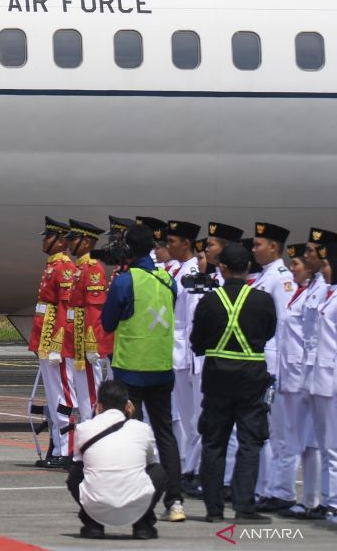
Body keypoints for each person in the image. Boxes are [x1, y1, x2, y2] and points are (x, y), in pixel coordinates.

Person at [100, 223, 185, 521]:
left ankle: (135, 500)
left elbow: (108, 323)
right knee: (165, 434)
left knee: (130, 436)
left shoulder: (125, 281)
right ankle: (175, 501)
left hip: (131, 370)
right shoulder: (168, 280)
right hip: (162, 369)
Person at [190, 241, 277, 523]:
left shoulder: (209, 300)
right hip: (251, 379)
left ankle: (213, 509)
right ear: (248, 268)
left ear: (222, 268)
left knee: (214, 442)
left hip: (216, 379)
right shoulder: (262, 300)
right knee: (250, 443)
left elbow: (197, 343)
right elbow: (269, 332)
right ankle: (244, 506)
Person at [68, 379, 168, 540]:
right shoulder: (142, 429)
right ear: (128, 405)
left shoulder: (84, 429)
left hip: (97, 505)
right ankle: (143, 525)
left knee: (76, 474)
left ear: (98, 406)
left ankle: (93, 524)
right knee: (158, 471)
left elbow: (80, 461)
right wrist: (132, 417)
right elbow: (151, 462)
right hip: (137, 504)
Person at [274, 242, 327, 519]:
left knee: (313, 442)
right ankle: (308, 500)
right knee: (304, 441)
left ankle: (315, 499)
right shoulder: (305, 291)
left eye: (299, 261)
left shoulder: (321, 289)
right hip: (298, 374)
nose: (295, 265)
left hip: (308, 375)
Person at [246, 222, 297, 510]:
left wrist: (276, 367)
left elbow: (284, 324)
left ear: (274, 247)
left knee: (275, 430)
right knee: (261, 428)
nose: (253, 250)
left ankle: (278, 490)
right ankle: (265, 488)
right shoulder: (265, 277)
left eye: (258, 245)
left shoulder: (281, 278)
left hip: (272, 362)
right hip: (262, 360)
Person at [28, 217, 78, 468]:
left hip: (54, 340)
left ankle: (67, 449)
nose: (43, 241)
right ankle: (58, 446)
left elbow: (66, 308)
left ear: (60, 242)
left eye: (48, 237)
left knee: (63, 395)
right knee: (53, 394)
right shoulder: (53, 266)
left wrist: (58, 343)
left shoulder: (64, 267)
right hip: (45, 336)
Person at [163, 220, 204, 496]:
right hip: (177, 351)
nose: (167, 246)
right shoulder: (179, 271)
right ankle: (188, 468)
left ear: (186, 244)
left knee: (194, 419)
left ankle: (194, 470)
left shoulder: (191, 272)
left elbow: (192, 319)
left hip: (188, 353)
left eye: (172, 241)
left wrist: (191, 354)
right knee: (186, 416)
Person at [304, 240, 337, 521]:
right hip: (319, 378)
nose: (323, 270)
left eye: (327, 265)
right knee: (325, 446)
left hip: (333, 380)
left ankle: (335, 503)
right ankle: (327, 501)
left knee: (334, 448)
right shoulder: (329, 293)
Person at [67, 220, 109, 417]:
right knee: (83, 391)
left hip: (86, 339)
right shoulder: (81, 268)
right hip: (78, 337)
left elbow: (94, 310)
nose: (69, 244)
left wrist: (92, 345)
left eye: (73, 239)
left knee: (91, 394)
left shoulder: (92, 268)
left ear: (86, 243)